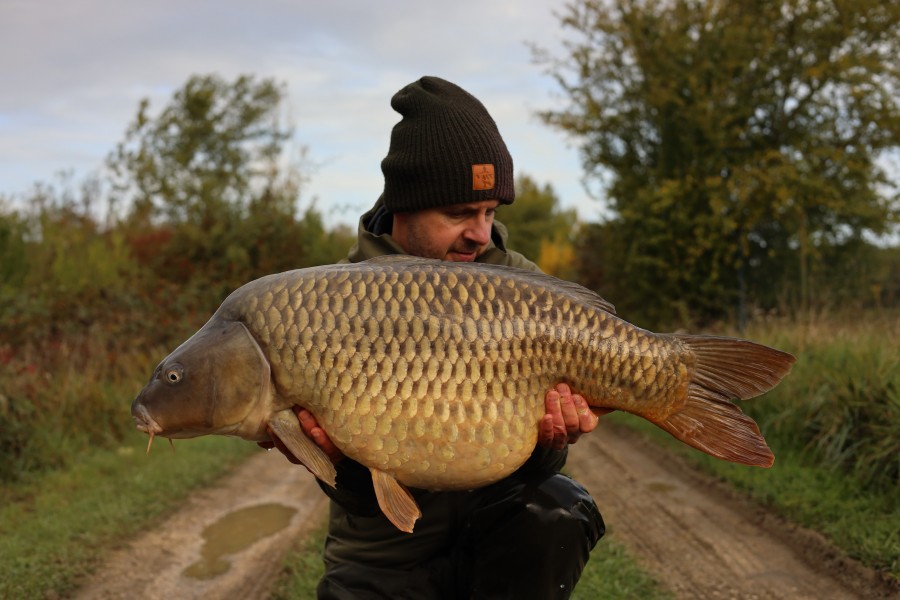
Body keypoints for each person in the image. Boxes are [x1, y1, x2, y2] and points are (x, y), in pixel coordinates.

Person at [264, 76, 606, 599]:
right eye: (459, 213)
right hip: (383, 557)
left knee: (555, 507)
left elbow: (537, 471)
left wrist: (551, 440)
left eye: (490, 212)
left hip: (496, 534)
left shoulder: (525, 288)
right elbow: (357, 499)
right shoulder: (332, 302)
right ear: (404, 206)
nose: (480, 234)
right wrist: (338, 461)